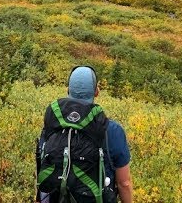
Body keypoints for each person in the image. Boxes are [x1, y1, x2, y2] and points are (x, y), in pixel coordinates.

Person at [36, 65, 133, 203]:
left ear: (68, 90)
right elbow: (124, 184)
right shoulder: (112, 130)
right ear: (96, 92)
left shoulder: (52, 124)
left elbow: (43, 164)